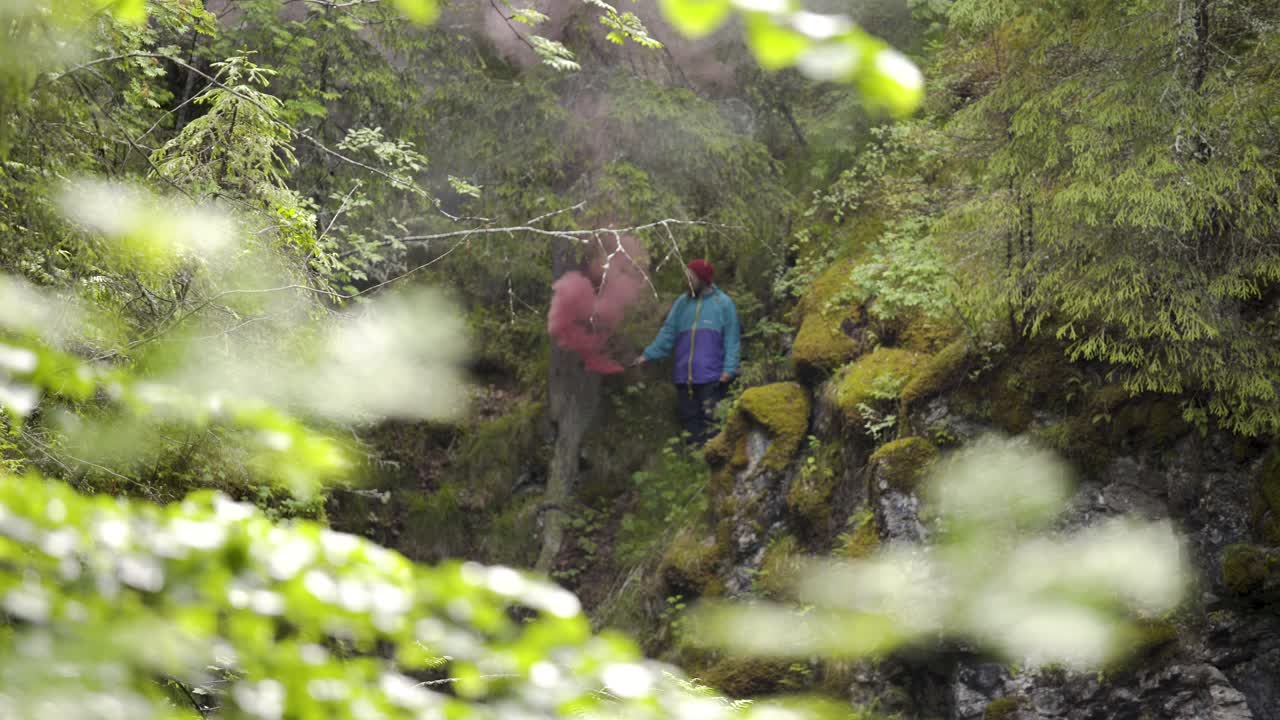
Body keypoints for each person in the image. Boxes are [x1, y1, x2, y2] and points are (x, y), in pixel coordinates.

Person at [632, 259, 740, 445]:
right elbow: (668, 333)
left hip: (712, 378)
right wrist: (648, 354)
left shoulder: (723, 303)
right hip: (684, 378)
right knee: (690, 426)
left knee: (713, 423)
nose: (687, 281)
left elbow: (732, 339)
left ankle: (712, 460)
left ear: (703, 279)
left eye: (691, 277)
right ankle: (694, 458)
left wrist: (729, 369)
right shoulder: (681, 303)